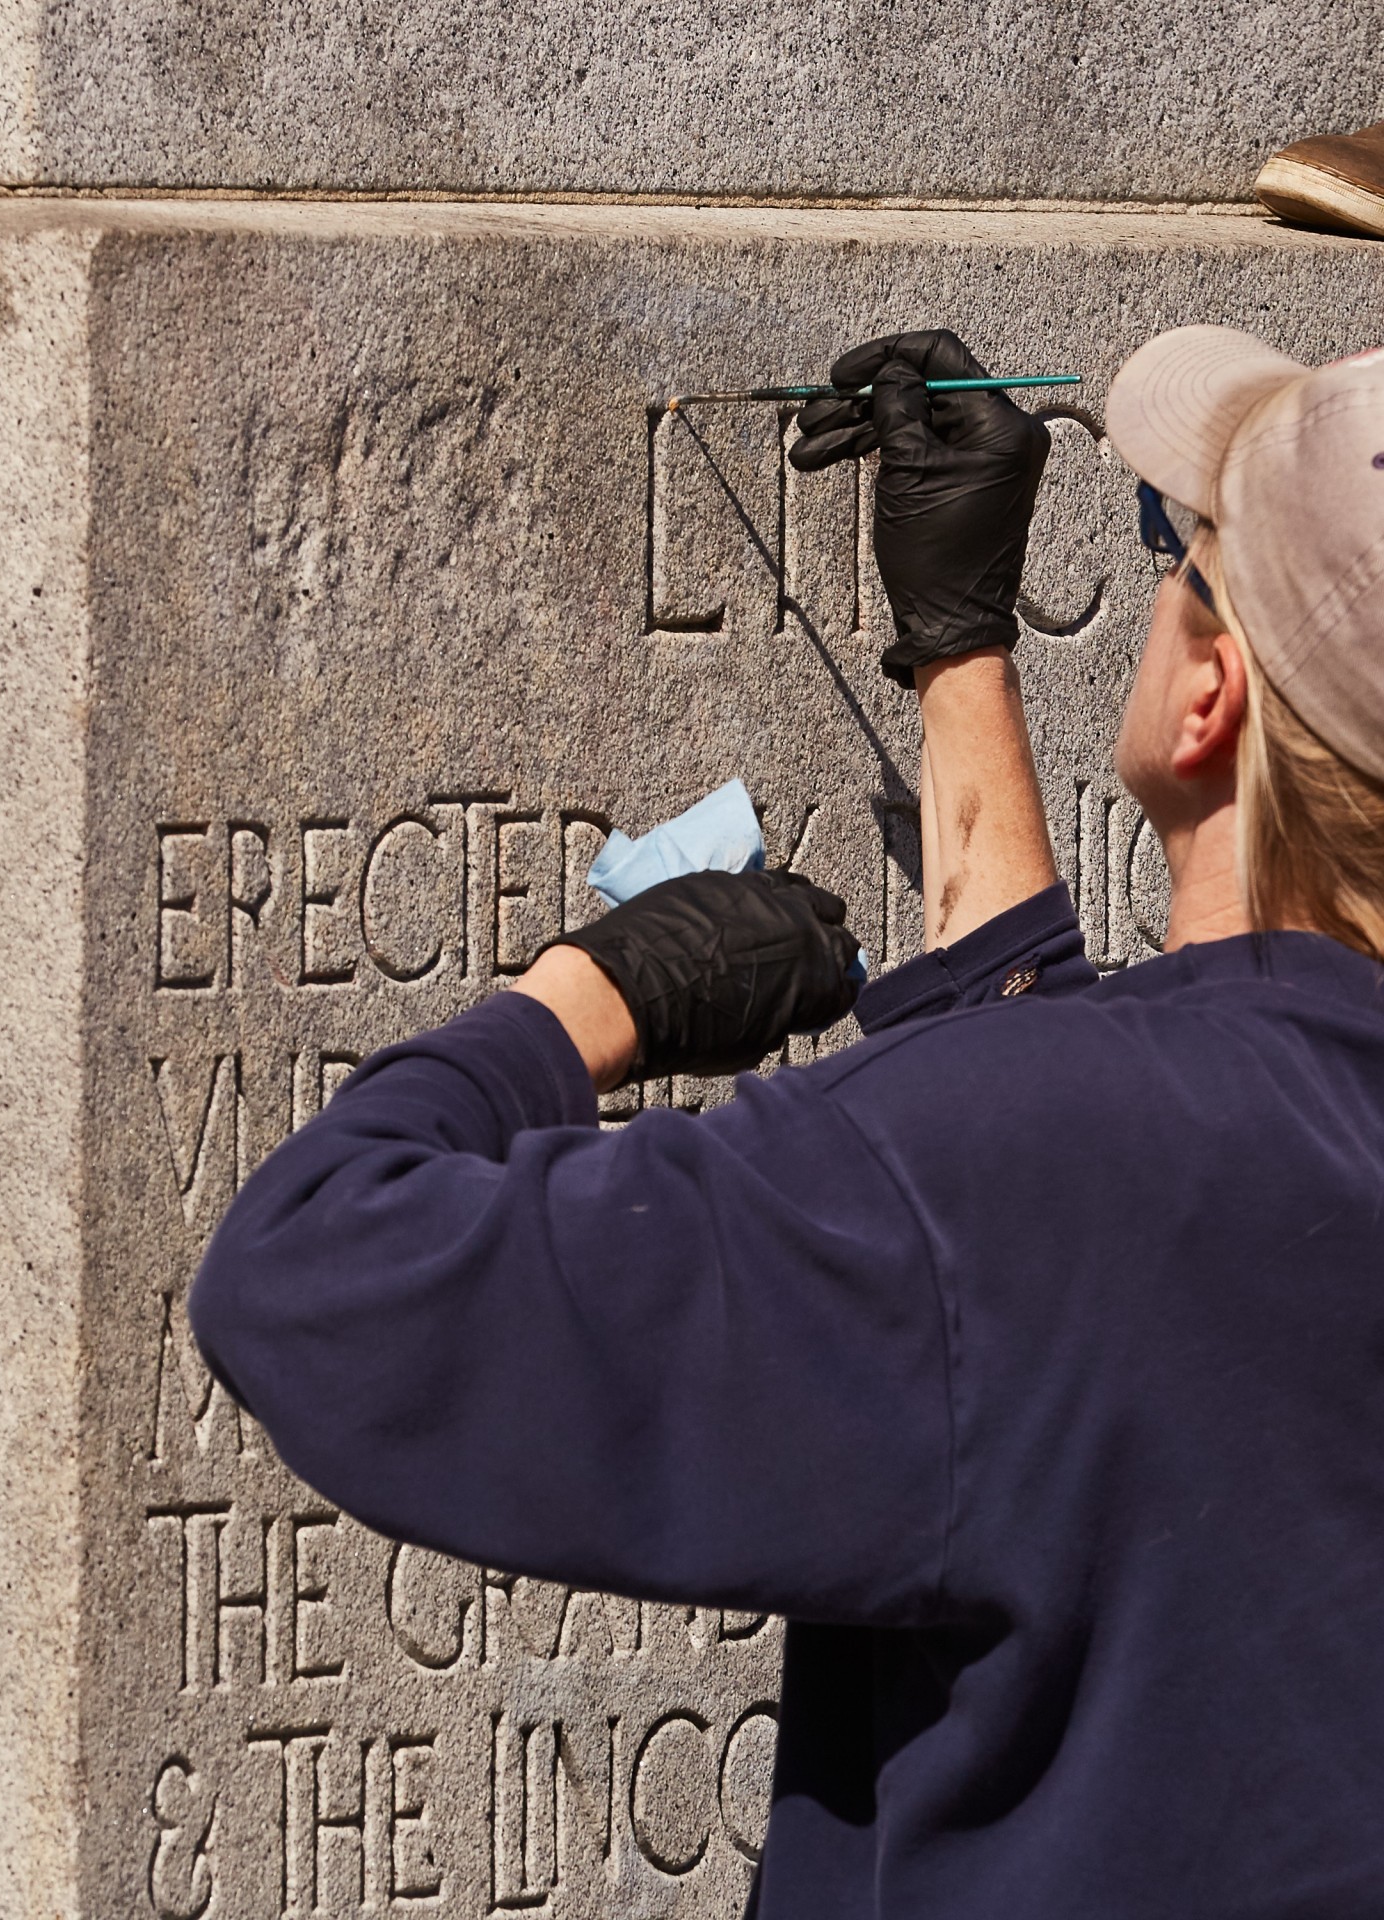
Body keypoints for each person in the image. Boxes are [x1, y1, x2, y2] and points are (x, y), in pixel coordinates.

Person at [189, 324, 1384, 1917]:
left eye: (1176, 549)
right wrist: (961, 652)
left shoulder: (1030, 1174)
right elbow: (1070, 1268)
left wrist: (582, 999)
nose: (1158, 568)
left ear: (1211, 696)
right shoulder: (1120, 1162)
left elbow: (314, 1274)